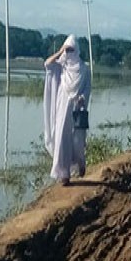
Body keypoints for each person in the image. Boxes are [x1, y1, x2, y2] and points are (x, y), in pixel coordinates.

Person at [44, 34, 91, 186]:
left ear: (77, 50)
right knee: (62, 139)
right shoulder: (61, 66)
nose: (69, 53)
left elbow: (87, 89)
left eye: (71, 50)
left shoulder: (84, 69)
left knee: (77, 140)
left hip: (77, 109)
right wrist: (60, 51)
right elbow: (47, 64)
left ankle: (80, 164)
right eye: (67, 50)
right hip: (62, 108)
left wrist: (82, 97)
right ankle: (64, 174)